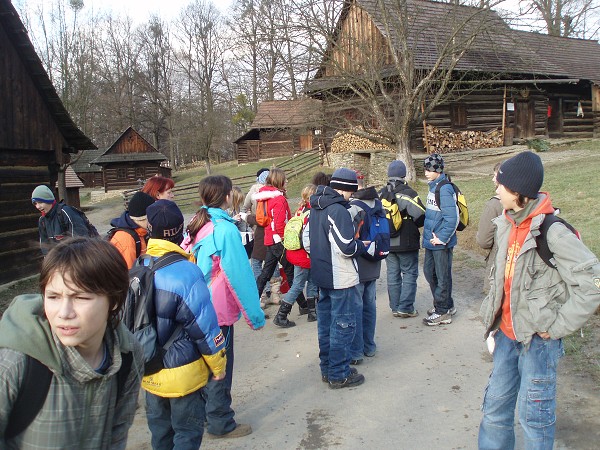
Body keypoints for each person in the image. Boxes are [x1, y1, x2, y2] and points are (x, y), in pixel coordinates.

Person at [478, 151, 600, 449]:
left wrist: (558, 325)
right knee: (494, 411)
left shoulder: (553, 232)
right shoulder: (506, 223)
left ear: (517, 192)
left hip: (538, 342)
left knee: (534, 418)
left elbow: (592, 282)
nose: (496, 189)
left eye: (502, 185)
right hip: (506, 335)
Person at [0, 237, 144, 449]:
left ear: (113, 301)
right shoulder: (15, 361)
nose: (64, 313)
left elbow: (117, 432)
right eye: (53, 297)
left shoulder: (127, 354)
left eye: (81, 298)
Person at [182, 175, 265, 439]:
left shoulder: (196, 224)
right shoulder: (225, 229)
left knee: (205, 364)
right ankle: (220, 422)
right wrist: (255, 315)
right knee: (220, 366)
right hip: (217, 311)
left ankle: (207, 414)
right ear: (228, 196)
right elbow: (239, 274)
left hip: (195, 305)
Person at [143, 199, 227, 449]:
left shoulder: (137, 268)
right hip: (184, 375)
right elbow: (205, 328)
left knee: (160, 435)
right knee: (187, 434)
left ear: (148, 230)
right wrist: (218, 365)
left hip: (150, 370)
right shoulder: (187, 272)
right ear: (181, 231)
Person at [309, 168, 367, 389]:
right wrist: (362, 245)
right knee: (342, 325)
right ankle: (339, 373)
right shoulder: (338, 210)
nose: (352, 196)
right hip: (339, 277)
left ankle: (328, 368)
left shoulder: (315, 206)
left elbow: (308, 241)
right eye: (351, 191)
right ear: (346, 189)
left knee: (325, 325)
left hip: (321, 274)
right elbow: (347, 247)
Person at [254, 168, 308, 314]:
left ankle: (254, 306)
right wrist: (286, 240)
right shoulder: (279, 199)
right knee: (290, 273)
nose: (287, 181)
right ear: (280, 181)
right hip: (279, 241)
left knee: (266, 273)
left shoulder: (266, 197)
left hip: (270, 239)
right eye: (285, 179)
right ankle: (300, 307)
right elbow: (279, 224)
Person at [379, 160, 425, 318]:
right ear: (403, 174)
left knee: (392, 273)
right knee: (410, 273)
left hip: (387, 241)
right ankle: (406, 307)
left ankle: (395, 307)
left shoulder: (381, 193)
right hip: (406, 240)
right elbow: (420, 215)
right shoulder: (408, 193)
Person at [348, 175, 384, 364]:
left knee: (356, 306)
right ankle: (369, 345)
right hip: (375, 260)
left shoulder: (353, 208)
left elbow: (349, 238)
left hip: (358, 261)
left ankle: (356, 351)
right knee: (370, 305)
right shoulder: (378, 204)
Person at [422, 153, 459, 326]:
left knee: (441, 276)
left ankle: (442, 311)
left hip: (440, 242)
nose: (427, 172)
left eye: (430, 169)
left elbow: (452, 218)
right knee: (430, 272)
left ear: (438, 169)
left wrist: (442, 238)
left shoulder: (444, 189)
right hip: (432, 240)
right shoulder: (433, 187)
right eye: (426, 169)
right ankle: (445, 304)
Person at [274, 184, 317, 327]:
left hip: (295, 252)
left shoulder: (300, 211)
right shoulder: (313, 212)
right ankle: (281, 315)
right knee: (298, 284)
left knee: (312, 280)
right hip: (306, 254)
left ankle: (312, 311)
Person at [243, 169, 277, 305]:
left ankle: (261, 294)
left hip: (259, 229)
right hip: (272, 229)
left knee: (256, 261)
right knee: (272, 259)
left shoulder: (254, 192)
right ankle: (275, 293)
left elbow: (245, 208)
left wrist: (249, 220)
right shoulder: (276, 193)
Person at [31, 185, 90, 254]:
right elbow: (45, 245)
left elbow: (81, 240)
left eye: (40, 202)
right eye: (35, 203)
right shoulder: (42, 221)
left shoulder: (66, 212)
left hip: (78, 258)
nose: (37, 206)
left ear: (49, 200)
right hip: (60, 260)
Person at [108, 191, 155, 268]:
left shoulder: (142, 231)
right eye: (153, 217)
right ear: (144, 218)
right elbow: (130, 274)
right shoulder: (126, 240)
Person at [475, 163, 503, 294]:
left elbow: (484, 240)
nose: (492, 179)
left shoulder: (494, 205)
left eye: (495, 176)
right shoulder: (530, 202)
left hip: (499, 264)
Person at [229, 186, 254, 259]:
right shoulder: (227, 211)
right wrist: (233, 219)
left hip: (241, 238)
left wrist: (249, 230)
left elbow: (242, 224)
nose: (239, 203)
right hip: (232, 239)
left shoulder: (238, 209)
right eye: (238, 200)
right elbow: (224, 224)